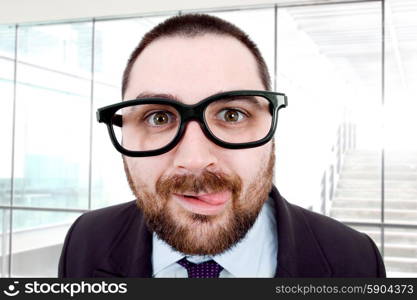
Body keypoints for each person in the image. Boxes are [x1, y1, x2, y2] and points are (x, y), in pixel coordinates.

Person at [58, 14, 386, 278]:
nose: (196, 159)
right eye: (159, 118)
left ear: (272, 128)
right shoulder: (85, 242)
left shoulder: (355, 261)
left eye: (232, 114)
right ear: (122, 129)